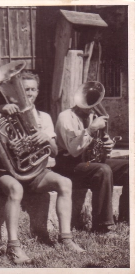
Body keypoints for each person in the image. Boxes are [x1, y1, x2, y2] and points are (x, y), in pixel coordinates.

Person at [0, 70, 85, 265]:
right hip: (7, 171)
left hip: (36, 171)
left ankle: (66, 238)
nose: (30, 93)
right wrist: (0, 108)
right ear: (14, 92)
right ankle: (14, 246)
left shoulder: (44, 117)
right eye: (25, 89)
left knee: (65, 183)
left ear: (38, 91)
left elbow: (54, 152)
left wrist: (46, 140)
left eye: (33, 89)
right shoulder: (2, 111)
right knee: (15, 189)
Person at [54, 84, 129, 233]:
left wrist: (107, 145)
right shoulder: (65, 117)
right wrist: (91, 129)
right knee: (103, 170)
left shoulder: (92, 116)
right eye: (90, 102)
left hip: (88, 162)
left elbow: (98, 145)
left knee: (129, 167)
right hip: (69, 164)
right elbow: (74, 150)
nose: (93, 107)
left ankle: (127, 217)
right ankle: (102, 226)